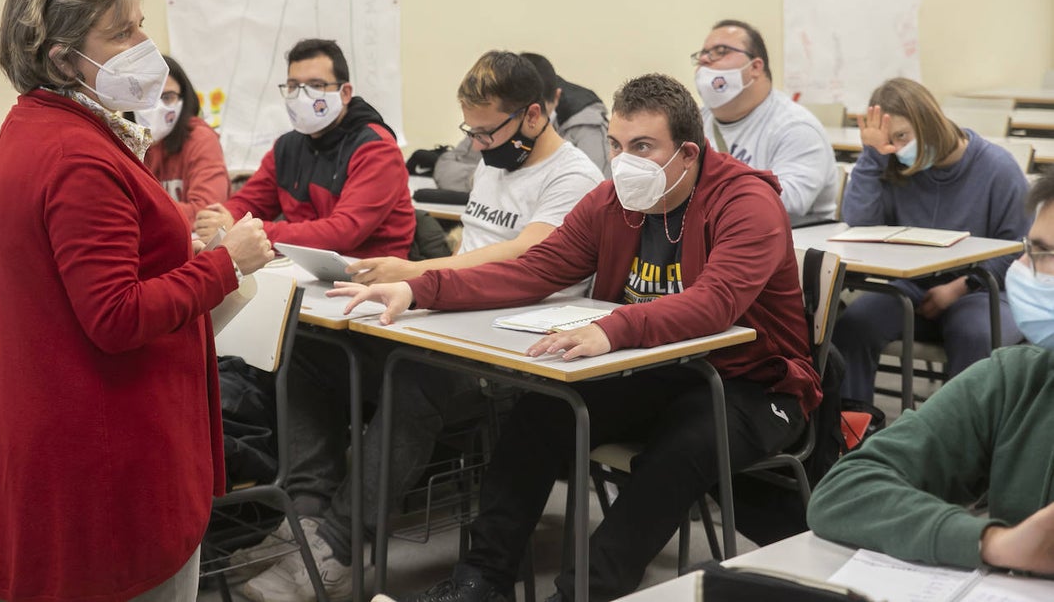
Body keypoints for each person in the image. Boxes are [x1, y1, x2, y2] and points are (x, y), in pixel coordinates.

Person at [332, 73, 822, 602]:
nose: (622, 160)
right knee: (540, 413)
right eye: (615, 144)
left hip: (754, 383)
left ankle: (580, 594)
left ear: (687, 153)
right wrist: (421, 286)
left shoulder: (746, 201)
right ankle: (479, 581)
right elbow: (534, 270)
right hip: (656, 369)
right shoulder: (613, 200)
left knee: (685, 445)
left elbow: (715, 302)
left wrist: (611, 329)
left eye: (641, 147)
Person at [240, 51, 603, 602]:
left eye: (486, 131)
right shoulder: (498, 160)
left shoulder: (574, 176)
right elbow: (475, 249)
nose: (477, 144)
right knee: (310, 348)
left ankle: (338, 544)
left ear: (533, 115)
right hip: (455, 323)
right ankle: (305, 519)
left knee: (416, 378)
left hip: (521, 354)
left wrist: (416, 271)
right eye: (471, 131)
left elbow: (522, 257)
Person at [0, 0, 274, 601]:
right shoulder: (77, 155)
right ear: (60, 57)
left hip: (77, 431)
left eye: (141, 25)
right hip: (110, 448)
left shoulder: (40, 129)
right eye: (123, 33)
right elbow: (115, 316)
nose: (148, 48)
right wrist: (225, 265)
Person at [808, 172, 1054, 573]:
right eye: (1031, 248)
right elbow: (844, 490)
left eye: (1044, 254)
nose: (1023, 267)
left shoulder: (990, 169)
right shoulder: (1018, 380)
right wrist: (991, 542)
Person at [832, 78, 1028, 403]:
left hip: (983, 290)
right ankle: (851, 434)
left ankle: (957, 443)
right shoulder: (893, 164)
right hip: (913, 286)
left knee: (975, 334)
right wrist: (871, 156)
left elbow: (1020, 250)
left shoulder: (997, 168)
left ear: (928, 122)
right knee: (852, 326)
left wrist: (960, 287)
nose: (897, 148)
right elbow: (861, 225)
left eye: (902, 137)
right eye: (888, 140)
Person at [194, 38, 414, 259]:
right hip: (307, 268)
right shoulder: (287, 146)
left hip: (371, 276)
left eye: (315, 86)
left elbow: (343, 232)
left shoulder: (377, 149)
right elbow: (249, 202)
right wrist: (220, 221)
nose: (301, 96)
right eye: (293, 86)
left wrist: (244, 230)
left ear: (345, 93)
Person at [693, 19, 839, 226]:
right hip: (715, 236)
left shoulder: (796, 127)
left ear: (755, 67)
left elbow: (789, 202)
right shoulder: (697, 121)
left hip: (786, 243)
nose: (705, 60)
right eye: (703, 54)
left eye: (720, 51)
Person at [433, 52, 610, 190]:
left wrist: (518, 183)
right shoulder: (491, 123)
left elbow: (592, 195)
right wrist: (486, 181)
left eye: (541, 112)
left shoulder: (586, 128)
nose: (534, 123)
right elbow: (446, 167)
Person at [129, 54, 230, 225]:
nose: (157, 107)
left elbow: (207, 214)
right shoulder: (124, 143)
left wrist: (142, 212)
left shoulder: (200, 139)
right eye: (148, 97)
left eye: (167, 97)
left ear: (183, 99)